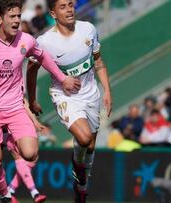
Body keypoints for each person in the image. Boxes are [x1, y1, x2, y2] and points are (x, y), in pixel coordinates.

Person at [0, 0, 80, 202]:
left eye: (18, 16)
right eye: (12, 16)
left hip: (15, 107)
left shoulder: (27, 41)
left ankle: (13, 165)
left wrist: (62, 78)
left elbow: (44, 59)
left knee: (31, 153)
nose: (17, 20)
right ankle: (5, 195)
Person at [26, 0, 112, 202]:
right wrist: (33, 100)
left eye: (71, 5)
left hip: (91, 94)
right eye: (63, 6)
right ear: (53, 13)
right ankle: (76, 166)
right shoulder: (45, 42)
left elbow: (98, 61)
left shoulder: (88, 29)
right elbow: (31, 73)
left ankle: (81, 189)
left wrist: (107, 91)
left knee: (90, 147)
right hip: (66, 97)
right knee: (83, 139)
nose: (69, 9)